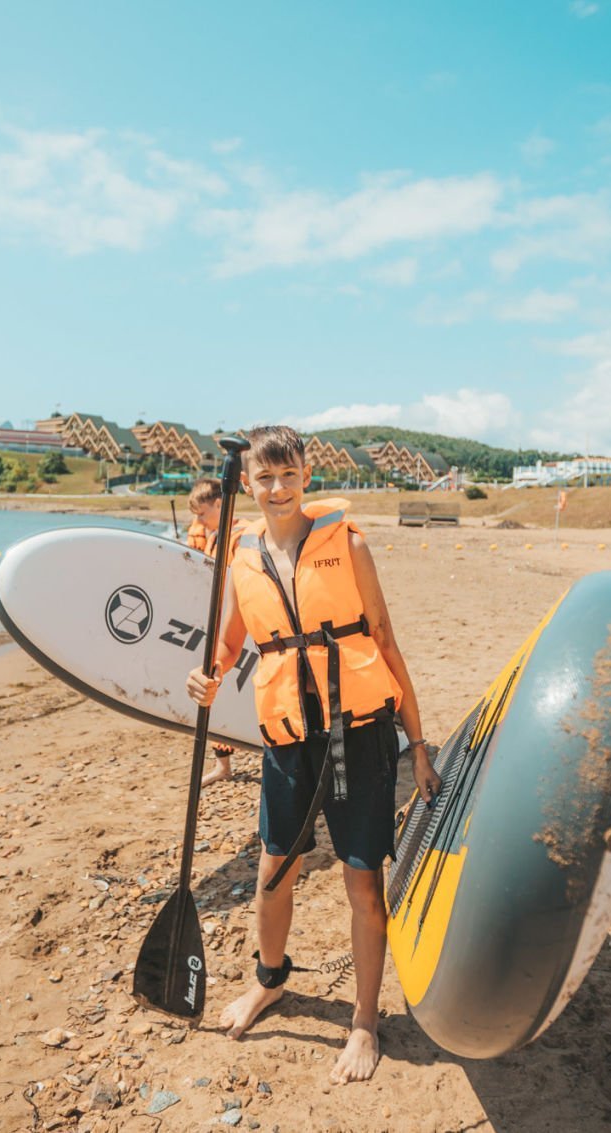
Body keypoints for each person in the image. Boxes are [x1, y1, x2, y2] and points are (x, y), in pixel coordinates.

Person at [186, 425, 440, 1084]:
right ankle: (269, 981)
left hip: (360, 733)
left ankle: (364, 1021)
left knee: (362, 880)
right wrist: (209, 676)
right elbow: (229, 643)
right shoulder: (241, 556)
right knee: (274, 872)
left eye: (288, 475)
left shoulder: (348, 544)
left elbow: (384, 639)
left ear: (305, 477)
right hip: (289, 738)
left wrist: (417, 745)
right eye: (264, 477)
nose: (277, 488)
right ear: (248, 483)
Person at [182, 477, 240, 787]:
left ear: (220, 504)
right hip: (214, 626)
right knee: (214, 694)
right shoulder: (214, 535)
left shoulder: (240, 537)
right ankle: (223, 765)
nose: (199, 521)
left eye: (202, 514)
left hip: (235, 631)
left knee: (231, 695)